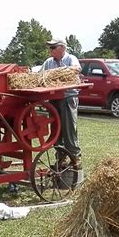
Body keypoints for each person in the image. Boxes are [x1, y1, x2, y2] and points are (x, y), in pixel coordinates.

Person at [41, 39, 82, 167]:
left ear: (62, 48)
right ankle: (61, 157)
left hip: (68, 97)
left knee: (69, 127)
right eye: (50, 48)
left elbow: (76, 69)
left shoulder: (71, 58)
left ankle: (75, 157)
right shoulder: (48, 62)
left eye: (53, 47)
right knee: (56, 129)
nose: (50, 50)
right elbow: (40, 75)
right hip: (54, 98)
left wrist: (58, 73)